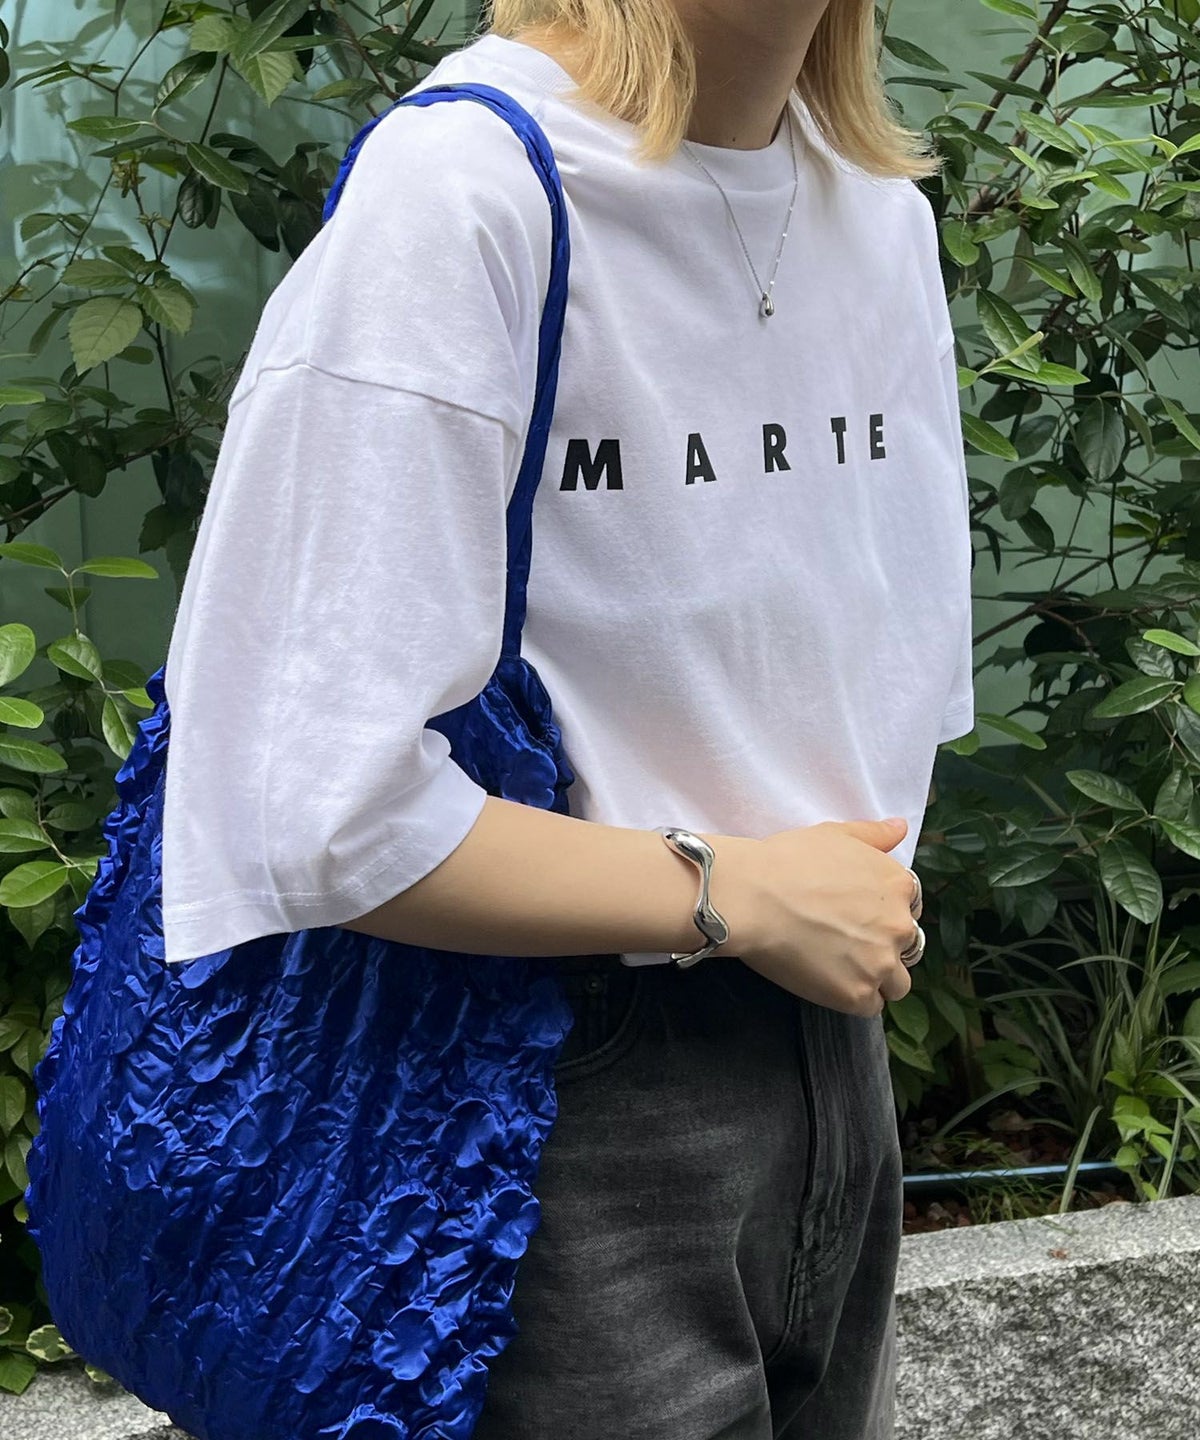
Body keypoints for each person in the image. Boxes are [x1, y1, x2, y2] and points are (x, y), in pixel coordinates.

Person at [158, 0, 975, 1435]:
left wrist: (806, 909)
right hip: (546, 1073)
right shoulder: (471, 189)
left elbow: (887, 685)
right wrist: (731, 890)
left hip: (833, 1041)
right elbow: (307, 797)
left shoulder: (876, 213)